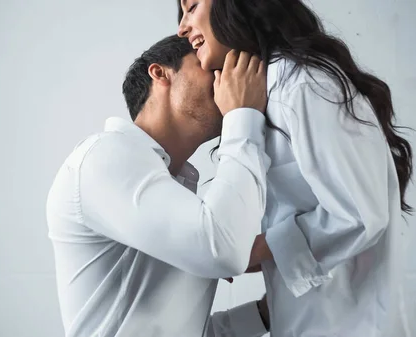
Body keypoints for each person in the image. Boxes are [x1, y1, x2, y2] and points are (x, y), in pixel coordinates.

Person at [177, 1, 416, 336]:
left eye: (191, 7)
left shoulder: (304, 84)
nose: (182, 27)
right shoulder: (270, 91)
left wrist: (258, 250)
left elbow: (360, 213)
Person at [46, 35, 271, 337]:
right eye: (210, 66)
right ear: (160, 73)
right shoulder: (103, 156)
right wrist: (242, 117)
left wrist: (262, 315)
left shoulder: (174, 188)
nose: (227, 79)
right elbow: (222, 249)